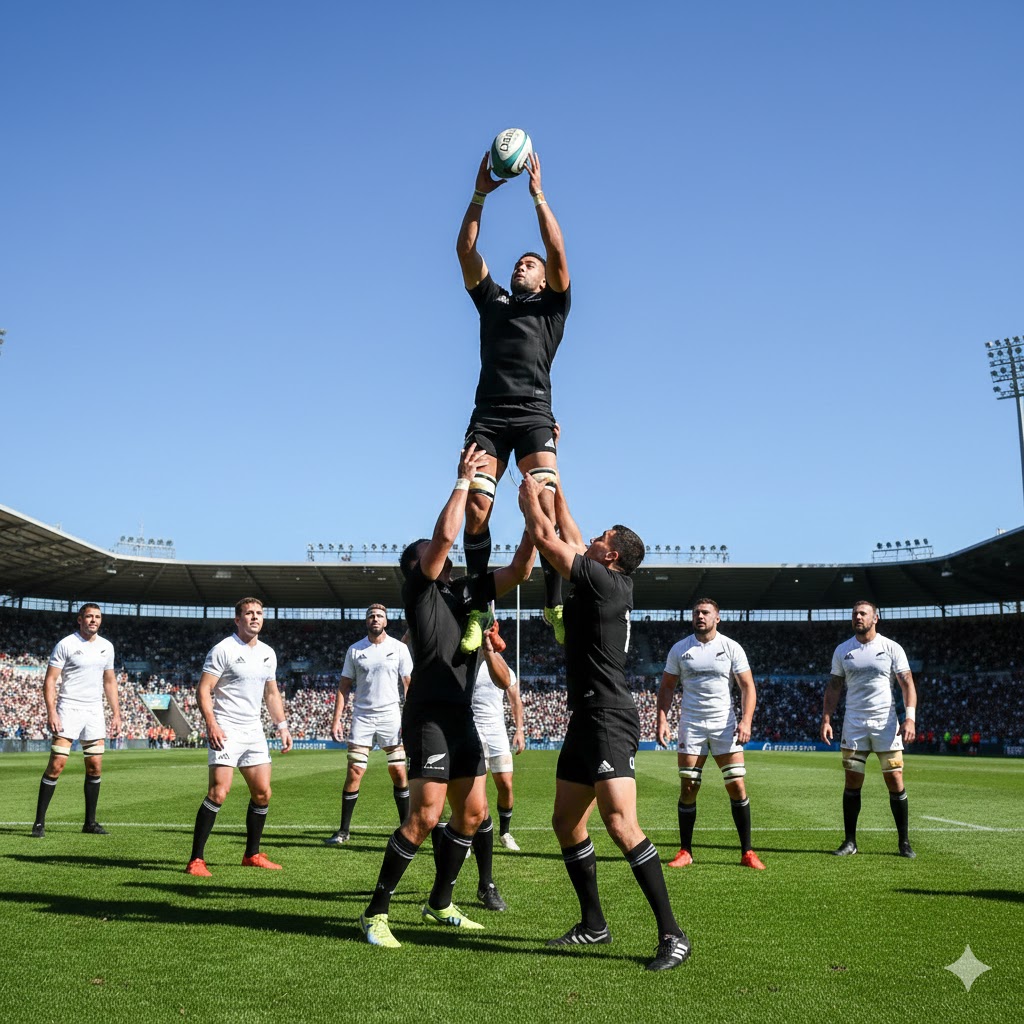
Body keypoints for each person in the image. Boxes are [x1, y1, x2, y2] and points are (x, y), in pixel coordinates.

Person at [359, 444, 535, 948]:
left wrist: (531, 516)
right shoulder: (418, 591)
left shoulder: (466, 595)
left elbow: (520, 571)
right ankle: (375, 913)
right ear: (415, 566)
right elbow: (444, 536)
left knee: (474, 813)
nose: (446, 556)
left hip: (463, 717)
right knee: (424, 816)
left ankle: (439, 901)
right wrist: (462, 481)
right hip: (429, 715)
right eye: (432, 556)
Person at [518, 471, 691, 972]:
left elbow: (552, 541)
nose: (591, 539)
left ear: (610, 555)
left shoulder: (604, 579)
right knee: (566, 822)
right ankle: (594, 924)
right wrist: (553, 477)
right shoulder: (605, 576)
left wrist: (529, 498)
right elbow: (570, 531)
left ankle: (673, 936)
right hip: (585, 714)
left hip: (610, 716)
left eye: (601, 539)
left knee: (620, 823)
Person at [455, 150, 570, 652]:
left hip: (532, 415)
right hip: (488, 417)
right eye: (518, 263)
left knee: (543, 505)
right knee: (477, 507)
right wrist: (480, 193)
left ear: (543, 279)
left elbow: (557, 249)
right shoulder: (493, 300)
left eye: (530, 264)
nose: (522, 266)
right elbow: (464, 250)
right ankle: (481, 606)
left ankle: (556, 603)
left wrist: (538, 195)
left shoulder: (552, 305)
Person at [656, 599, 766, 871]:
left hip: (724, 725)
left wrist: (746, 721)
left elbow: (747, 687)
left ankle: (747, 851)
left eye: (705, 613)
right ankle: (686, 851)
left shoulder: (731, 648)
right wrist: (662, 720)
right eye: (696, 613)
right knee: (689, 787)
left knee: (737, 786)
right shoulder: (680, 649)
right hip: (691, 724)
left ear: (717, 617)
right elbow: (667, 687)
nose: (700, 616)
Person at [185, 597, 293, 875]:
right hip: (227, 728)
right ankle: (196, 860)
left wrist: (282, 727)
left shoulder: (268, 652)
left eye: (258, 613)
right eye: (248, 613)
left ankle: (252, 854)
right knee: (219, 792)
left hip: (254, 731)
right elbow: (204, 689)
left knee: (262, 793)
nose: (254, 617)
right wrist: (212, 723)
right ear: (238, 619)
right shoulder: (223, 649)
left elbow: (271, 693)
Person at [821, 600, 918, 858]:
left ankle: (904, 842)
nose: (858, 617)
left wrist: (910, 718)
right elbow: (834, 686)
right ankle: (850, 842)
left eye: (863, 613)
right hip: (854, 724)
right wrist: (826, 719)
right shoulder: (843, 650)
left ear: (876, 618)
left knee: (895, 779)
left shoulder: (891, 648)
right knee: (852, 780)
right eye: (854, 614)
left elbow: (907, 682)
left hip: (886, 724)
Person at [31, 603, 121, 837]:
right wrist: (52, 711)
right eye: (89, 616)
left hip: (94, 711)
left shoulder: (107, 647)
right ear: (79, 620)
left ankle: (89, 823)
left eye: (98, 617)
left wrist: (117, 714)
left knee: (95, 766)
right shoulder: (66, 644)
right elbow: (50, 681)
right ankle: (39, 822)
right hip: (69, 707)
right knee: (57, 764)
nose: (94, 620)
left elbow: (109, 681)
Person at [326, 603, 413, 845]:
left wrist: (410, 717)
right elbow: (344, 686)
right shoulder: (355, 650)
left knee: (398, 771)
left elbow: (408, 685)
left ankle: (406, 829)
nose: (375, 619)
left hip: (390, 716)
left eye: (379, 616)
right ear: (367, 621)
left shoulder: (398, 648)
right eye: (371, 616)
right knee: (355, 771)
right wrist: (336, 720)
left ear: (386, 622)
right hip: (363, 717)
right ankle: (344, 831)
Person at [468, 620, 526, 911]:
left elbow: (515, 699)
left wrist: (519, 729)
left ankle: (504, 831)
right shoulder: (465, 660)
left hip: (497, 731)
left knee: (505, 785)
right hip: (473, 730)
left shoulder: (501, 664)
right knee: (472, 789)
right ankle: (467, 837)